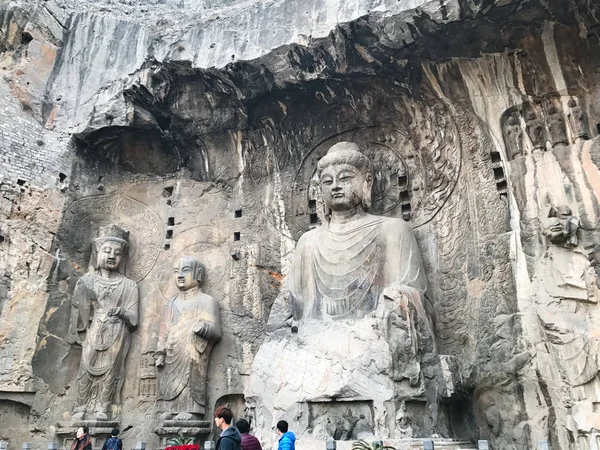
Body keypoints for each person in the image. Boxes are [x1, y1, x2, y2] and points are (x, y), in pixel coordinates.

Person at [70, 224, 139, 420]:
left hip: (117, 334)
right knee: (86, 366)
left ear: (123, 259)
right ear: (97, 253)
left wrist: (121, 312)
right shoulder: (86, 281)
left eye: (117, 253)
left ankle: (103, 407)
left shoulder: (129, 285)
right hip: (93, 332)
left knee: (111, 370)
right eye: (106, 251)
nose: (111, 256)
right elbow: (78, 315)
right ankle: (80, 407)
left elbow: (134, 319)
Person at [155, 256, 222, 421]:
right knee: (168, 379)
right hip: (172, 349)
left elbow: (216, 331)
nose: (180, 275)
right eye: (176, 271)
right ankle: (169, 408)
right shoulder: (170, 304)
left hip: (193, 351)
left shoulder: (207, 301)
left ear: (198, 274)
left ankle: (192, 410)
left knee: (191, 376)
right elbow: (164, 331)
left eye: (185, 271)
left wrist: (203, 327)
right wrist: (160, 353)